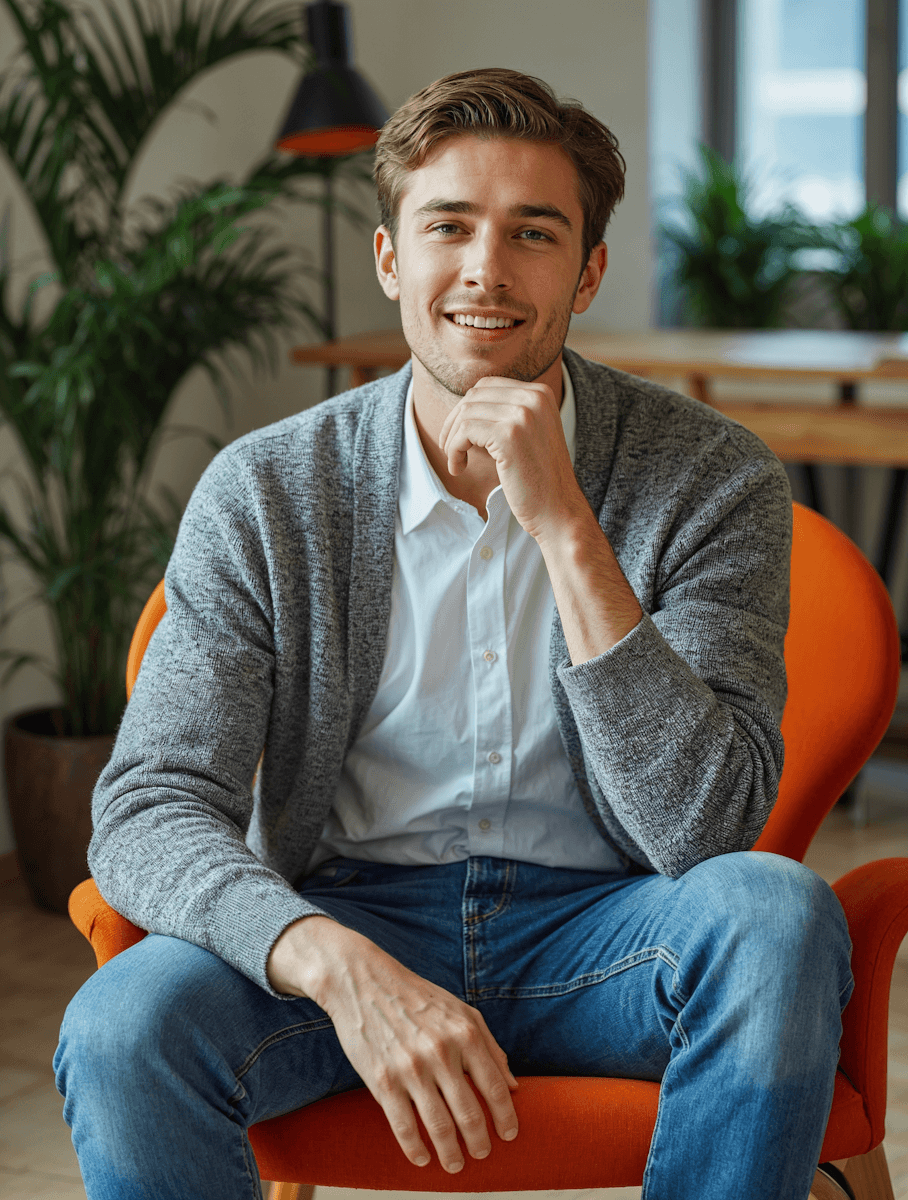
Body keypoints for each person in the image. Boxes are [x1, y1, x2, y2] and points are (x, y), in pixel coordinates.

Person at [55, 68, 853, 1200]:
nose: (485, 270)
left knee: (776, 917)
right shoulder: (269, 491)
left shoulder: (711, 478)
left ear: (587, 274)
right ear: (391, 259)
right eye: (447, 226)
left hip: (608, 933)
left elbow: (706, 830)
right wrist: (331, 963)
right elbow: (145, 808)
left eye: (532, 233)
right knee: (125, 1026)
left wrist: (565, 526)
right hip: (349, 914)